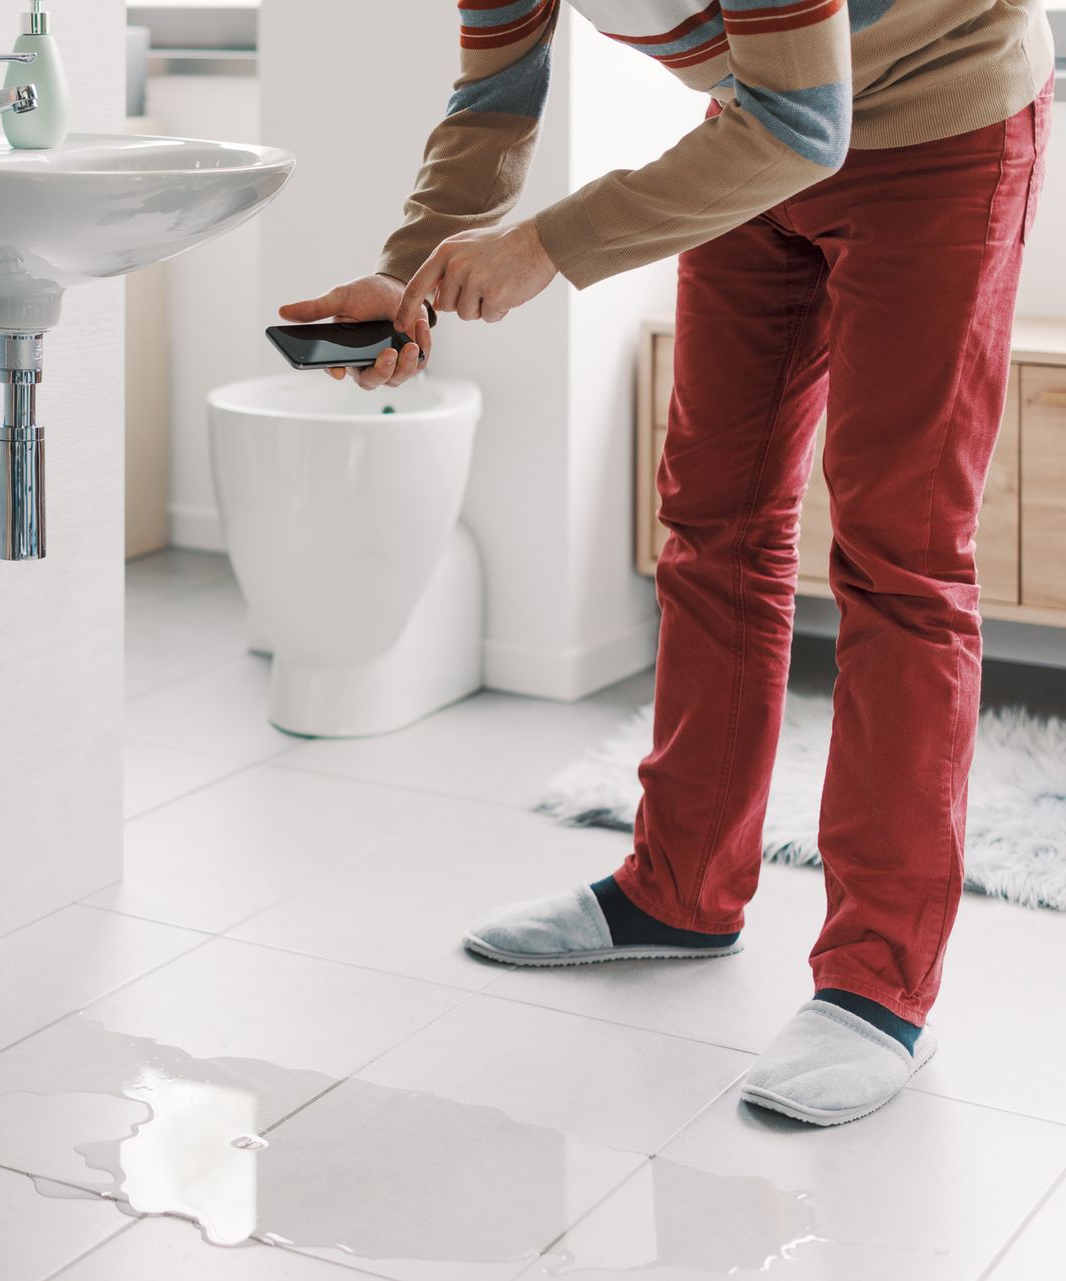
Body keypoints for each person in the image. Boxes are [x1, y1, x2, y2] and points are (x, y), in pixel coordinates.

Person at [283, 0, 1054, 1126]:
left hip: (937, 129)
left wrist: (544, 247)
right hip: (763, 129)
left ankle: (878, 980)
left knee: (901, 557)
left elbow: (806, 124)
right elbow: (492, 103)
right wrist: (407, 282)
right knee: (712, 518)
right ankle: (679, 891)